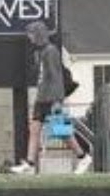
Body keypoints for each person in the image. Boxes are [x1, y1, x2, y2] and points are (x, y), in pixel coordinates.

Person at [11, 22, 92, 175]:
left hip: (51, 98)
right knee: (34, 128)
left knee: (61, 131)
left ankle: (83, 157)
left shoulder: (51, 51)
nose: (30, 38)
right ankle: (29, 163)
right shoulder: (41, 52)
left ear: (39, 34)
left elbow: (55, 77)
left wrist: (56, 101)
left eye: (31, 34)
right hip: (42, 98)